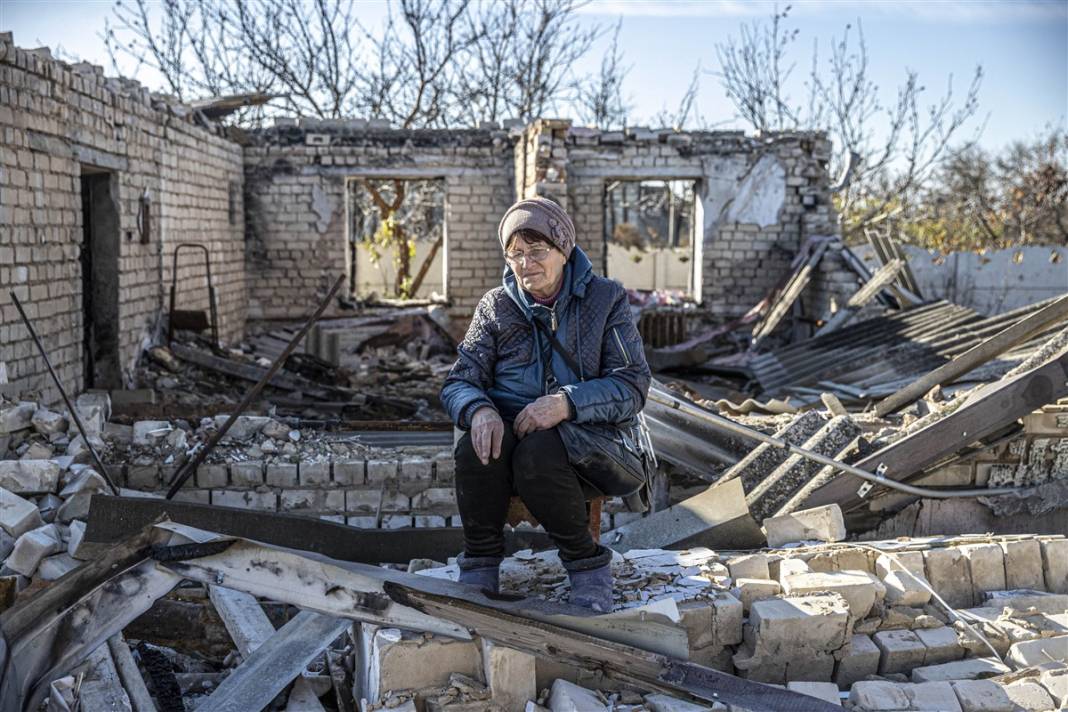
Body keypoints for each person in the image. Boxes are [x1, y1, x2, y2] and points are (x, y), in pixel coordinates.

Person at [440, 196, 651, 612]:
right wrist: (479, 409)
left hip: (588, 443)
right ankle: (480, 565)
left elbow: (632, 384)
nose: (525, 263)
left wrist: (565, 404)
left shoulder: (605, 299)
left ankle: (587, 566)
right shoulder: (496, 307)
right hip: (512, 440)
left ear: (563, 249)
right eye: (515, 253)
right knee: (477, 446)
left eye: (537, 250)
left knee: (538, 451)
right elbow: (460, 380)